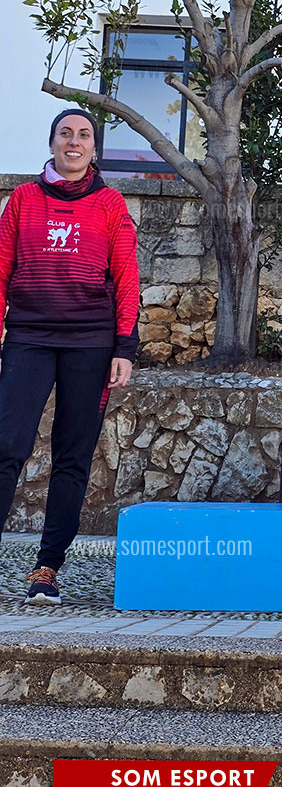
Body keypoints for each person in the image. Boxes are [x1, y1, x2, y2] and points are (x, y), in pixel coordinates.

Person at [0, 109, 139, 604]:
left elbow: (126, 277)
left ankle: (47, 569)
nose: (74, 142)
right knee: (7, 447)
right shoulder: (23, 199)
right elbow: (0, 270)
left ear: (94, 149)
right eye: (65, 134)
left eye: (84, 135)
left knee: (72, 457)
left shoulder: (110, 204)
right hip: (28, 338)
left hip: (91, 344)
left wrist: (124, 347)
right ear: (52, 143)